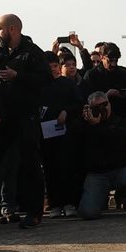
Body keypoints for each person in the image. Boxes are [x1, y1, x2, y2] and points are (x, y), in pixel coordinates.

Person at [0, 14, 50, 228]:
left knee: (29, 164)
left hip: (26, 116)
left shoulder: (33, 52)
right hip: (4, 118)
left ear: (12, 29)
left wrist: (18, 76)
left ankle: (33, 212)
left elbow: (45, 80)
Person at [75, 91, 126, 219]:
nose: (102, 109)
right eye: (97, 107)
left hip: (120, 169)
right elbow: (80, 148)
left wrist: (99, 127)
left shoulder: (120, 121)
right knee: (88, 213)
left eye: (105, 104)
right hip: (97, 174)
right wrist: (87, 123)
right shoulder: (85, 125)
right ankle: (100, 200)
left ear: (110, 104)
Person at [40, 50, 86, 217]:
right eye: (49, 66)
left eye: (55, 66)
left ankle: (69, 203)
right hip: (46, 135)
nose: (52, 69)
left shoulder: (67, 84)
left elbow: (79, 104)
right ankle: (54, 204)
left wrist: (66, 111)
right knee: (50, 170)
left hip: (67, 135)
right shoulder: (39, 86)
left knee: (67, 168)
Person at [86, 42, 126, 124]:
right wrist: (105, 96)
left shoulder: (123, 74)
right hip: (101, 121)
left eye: (116, 61)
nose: (113, 64)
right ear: (102, 57)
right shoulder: (91, 75)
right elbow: (86, 100)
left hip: (123, 120)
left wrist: (121, 94)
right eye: (110, 60)